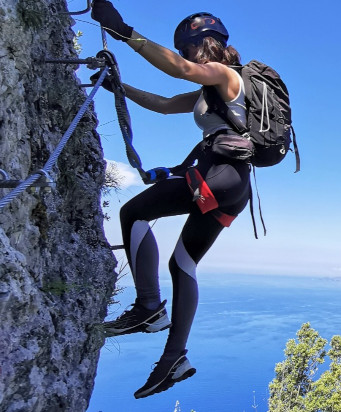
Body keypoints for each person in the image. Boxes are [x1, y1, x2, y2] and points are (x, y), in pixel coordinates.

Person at [91, 0, 252, 399]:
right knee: (183, 264)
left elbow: (179, 70)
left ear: (200, 46)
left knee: (134, 212)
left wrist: (122, 30)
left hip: (218, 178)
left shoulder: (224, 75)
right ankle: (174, 359)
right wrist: (118, 86)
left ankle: (149, 307)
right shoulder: (213, 89)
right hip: (231, 186)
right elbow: (163, 106)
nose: (184, 57)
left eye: (186, 49)